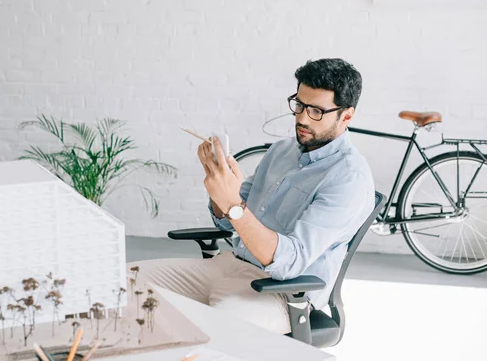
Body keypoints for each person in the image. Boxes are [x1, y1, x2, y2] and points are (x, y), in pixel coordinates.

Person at [127, 58, 375, 334]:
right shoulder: (281, 151)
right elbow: (227, 222)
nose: (303, 118)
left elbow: (289, 262)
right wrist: (219, 187)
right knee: (121, 284)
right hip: (230, 265)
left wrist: (234, 205)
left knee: (210, 334)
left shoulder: (349, 177)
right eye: (300, 105)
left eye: (317, 111)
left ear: (347, 115)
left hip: (280, 293)